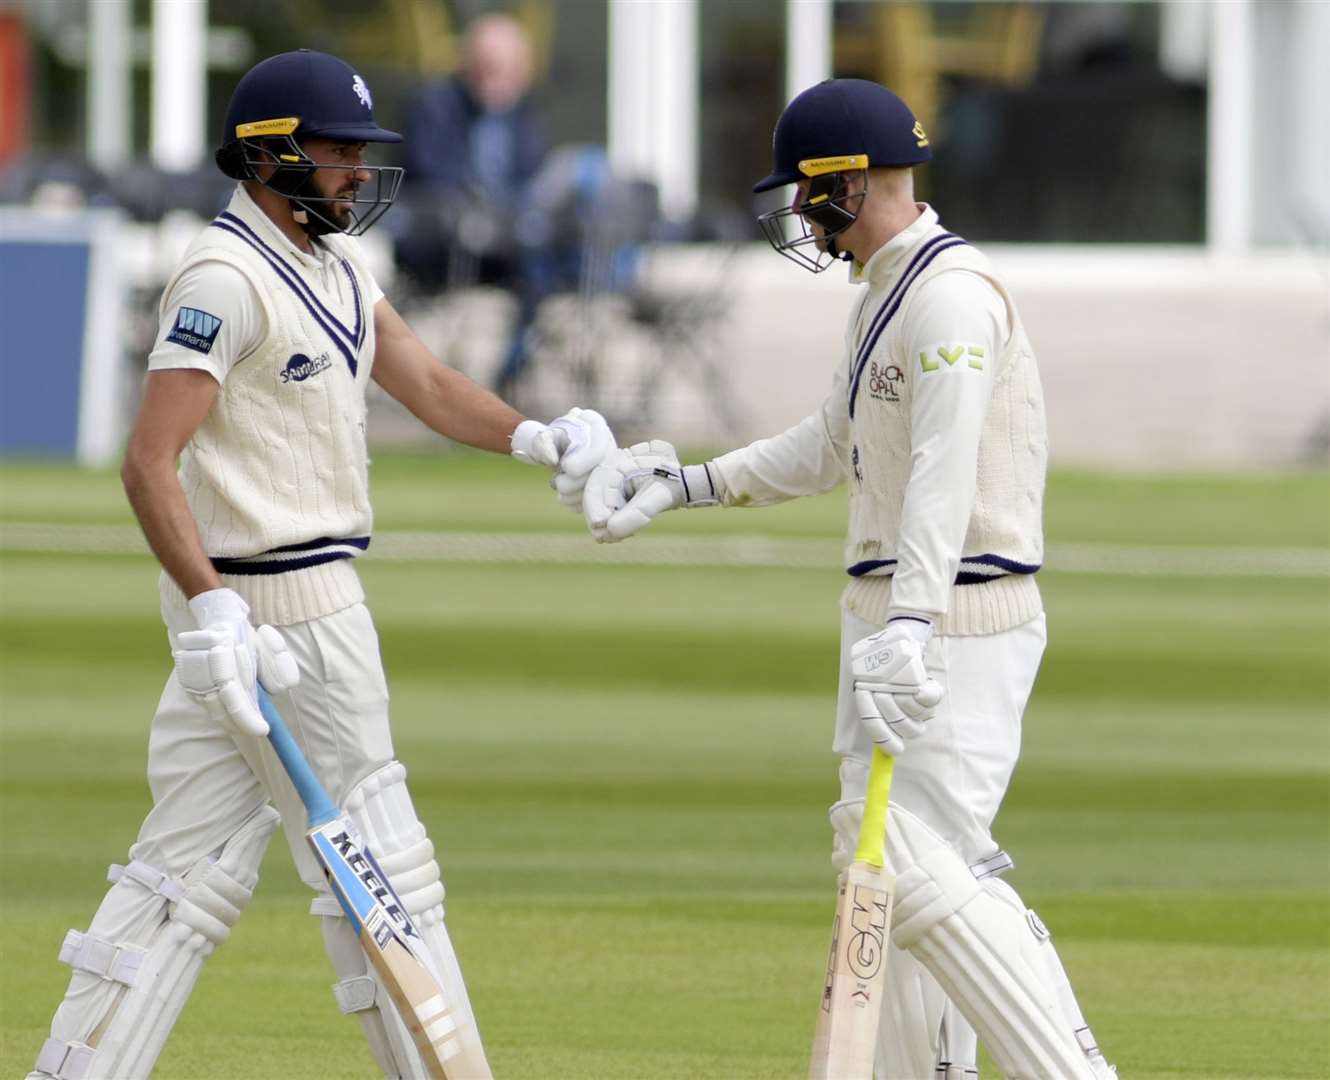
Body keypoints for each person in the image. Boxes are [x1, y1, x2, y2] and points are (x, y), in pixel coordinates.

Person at [25, 49, 613, 1080]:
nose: (355, 170)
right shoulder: (223, 276)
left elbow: (424, 380)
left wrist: (537, 438)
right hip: (274, 618)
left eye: (359, 151)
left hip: (294, 610)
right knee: (382, 865)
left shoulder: (338, 264)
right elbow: (147, 462)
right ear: (269, 157)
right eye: (337, 151)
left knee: (181, 877)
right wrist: (211, 611)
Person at [583, 79, 1116, 1080]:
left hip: (956, 618)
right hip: (893, 612)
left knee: (920, 867)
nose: (795, 213)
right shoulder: (887, 290)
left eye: (804, 190)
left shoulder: (951, 298)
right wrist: (689, 482)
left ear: (850, 182)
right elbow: (831, 445)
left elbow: (942, 469)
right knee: (888, 875)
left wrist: (912, 624)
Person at [397, 13, 551, 396]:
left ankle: (510, 372)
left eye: (506, 70)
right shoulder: (436, 107)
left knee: (545, 264)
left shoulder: (523, 116)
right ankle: (466, 390)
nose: (494, 79)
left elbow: (534, 176)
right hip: (440, 244)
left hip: (507, 246)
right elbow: (431, 174)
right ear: (468, 64)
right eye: (486, 67)